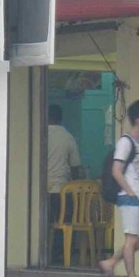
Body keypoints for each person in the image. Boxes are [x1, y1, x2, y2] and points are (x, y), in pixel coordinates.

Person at [99, 99, 139, 277]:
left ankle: (111, 262)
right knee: (131, 240)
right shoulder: (125, 142)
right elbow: (117, 170)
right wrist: (130, 192)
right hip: (128, 197)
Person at [47, 104, 83, 262]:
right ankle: (60, 254)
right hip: (61, 189)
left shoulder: (39, 134)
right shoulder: (67, 137)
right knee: (64, 223)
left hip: (40, 189)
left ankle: (44, 254)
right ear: (61, 118)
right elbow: (75, 166)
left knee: (44, 224)